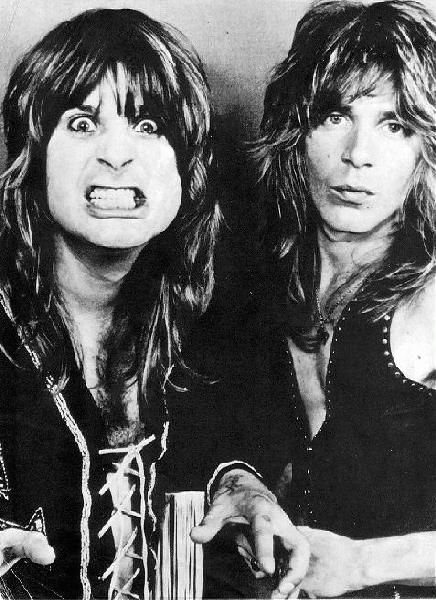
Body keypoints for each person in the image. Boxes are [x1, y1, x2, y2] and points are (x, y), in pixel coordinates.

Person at [0, 7, 310, 599]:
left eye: (148, 126)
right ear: (32, 156)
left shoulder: (215, 317)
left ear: (186, 167)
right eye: (82, 123)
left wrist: (242, 486)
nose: (117, 154)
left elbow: (231, 439)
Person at [242, 0, 436, 597]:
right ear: (295, 135)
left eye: (395, 126)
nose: (358, 154)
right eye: (334, 116)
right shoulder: (258, 287)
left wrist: (363, 563)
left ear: (426, 151)